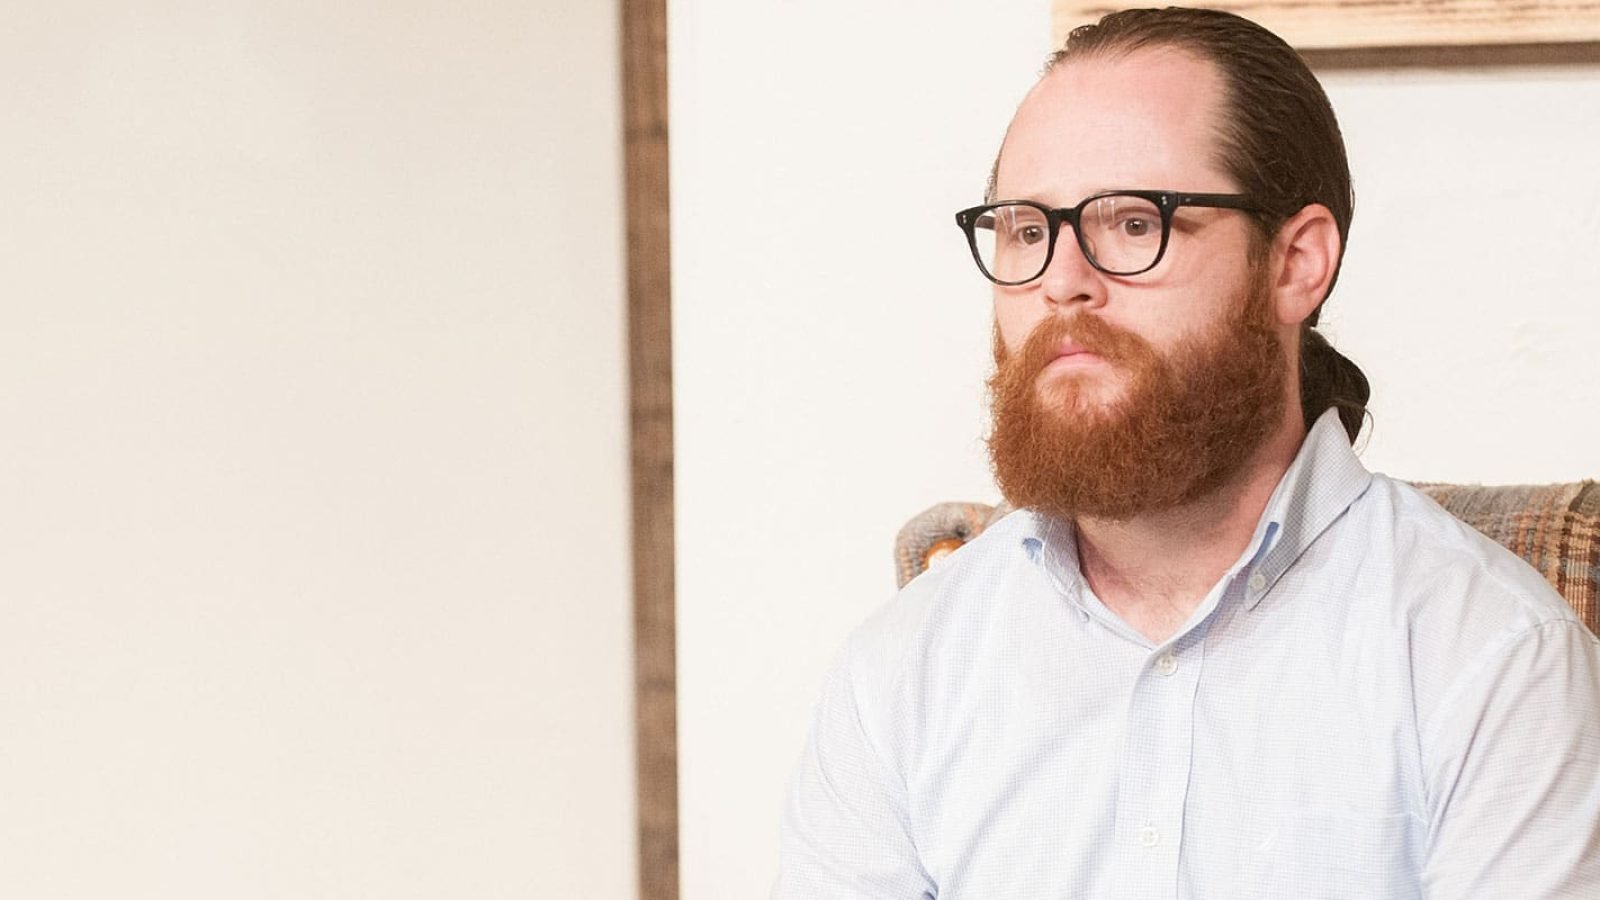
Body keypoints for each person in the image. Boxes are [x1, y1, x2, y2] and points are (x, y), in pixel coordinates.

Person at [773, 7, 1600, 898]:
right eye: (1025, 228)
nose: (1061, 282)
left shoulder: (1495, 658)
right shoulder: (900, 671)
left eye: (1133, 223)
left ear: (1295, 263)